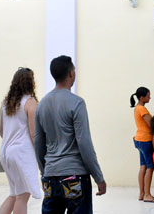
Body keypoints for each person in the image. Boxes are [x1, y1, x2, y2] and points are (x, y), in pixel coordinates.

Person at [34, 55, 106, 214]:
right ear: (71, 74)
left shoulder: (42, 105)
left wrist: (45, 172)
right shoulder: (77, 103)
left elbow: (38, 143)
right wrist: (98, 177)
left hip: (51, 176)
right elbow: (84, 143)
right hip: (75, 176)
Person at [0, 67, 41, 214]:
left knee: (15, 193)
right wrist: (42, 156)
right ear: (30, 82)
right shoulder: (30, 102)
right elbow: (34, 134)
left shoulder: (5, 103)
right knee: (23, 195)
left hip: (6, 152)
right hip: (22, 153)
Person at [130, 86, 154, 202]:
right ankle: (147, 194)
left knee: (143, 166)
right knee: (150, 167)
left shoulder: (137, 108)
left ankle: (141, 193)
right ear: (142, 97)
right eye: (148, 96)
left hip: (139, 139)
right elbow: (151, 124)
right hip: (146, 140)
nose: (150, 98)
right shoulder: (142, 109)